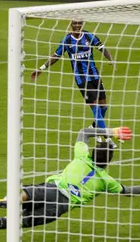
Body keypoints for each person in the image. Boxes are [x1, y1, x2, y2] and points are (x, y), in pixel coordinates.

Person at [0, 126, 140, 230]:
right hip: (61, 205)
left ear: (92, 152)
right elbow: (128, 191)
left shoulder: (82, 156)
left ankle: (7, 201)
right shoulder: (106, 181)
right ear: (107, 163)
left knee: (26, 193)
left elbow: (84, 132)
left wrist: (111, 131)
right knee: (22, 222)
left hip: (52, 188)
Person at [31, 19, 118, 148]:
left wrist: (111, 59)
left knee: (104, 106)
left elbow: (102, 48)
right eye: (75, 23)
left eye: (79, 23)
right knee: (95, 108)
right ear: (71, 25)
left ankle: (93, 128)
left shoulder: (89, 36)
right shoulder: (67, 40)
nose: (77, 26)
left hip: (95, 76)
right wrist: (41, 68)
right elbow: (56, 55)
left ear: (82, 24)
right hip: (82, 80)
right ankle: (108, 139)